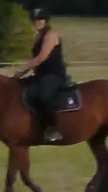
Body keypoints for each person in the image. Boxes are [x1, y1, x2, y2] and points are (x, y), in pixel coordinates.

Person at [15, 8, 69, 144]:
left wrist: (21, 71)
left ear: (46, 21)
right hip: (41, 75)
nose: (36, 22)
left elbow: (41, 58)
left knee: (43, 96)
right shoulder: (38, 37)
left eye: (39, 19)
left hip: (54, 75)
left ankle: (53, 128)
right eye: (34, 20)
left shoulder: (51, 36)